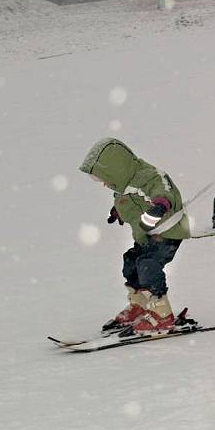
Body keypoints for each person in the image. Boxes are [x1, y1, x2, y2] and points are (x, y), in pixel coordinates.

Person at [79, 138, 190, 334]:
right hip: (147, 235)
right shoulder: (122, 183)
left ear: (115, 169)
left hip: (168, 230)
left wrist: (160, 205)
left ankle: (162, 313)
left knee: (147, 263)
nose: (104, 184)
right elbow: (128, 199)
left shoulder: (146, 175)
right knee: (130, 261)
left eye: (103, 178)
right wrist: (117, 211)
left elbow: (162, 189)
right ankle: (140, 304)